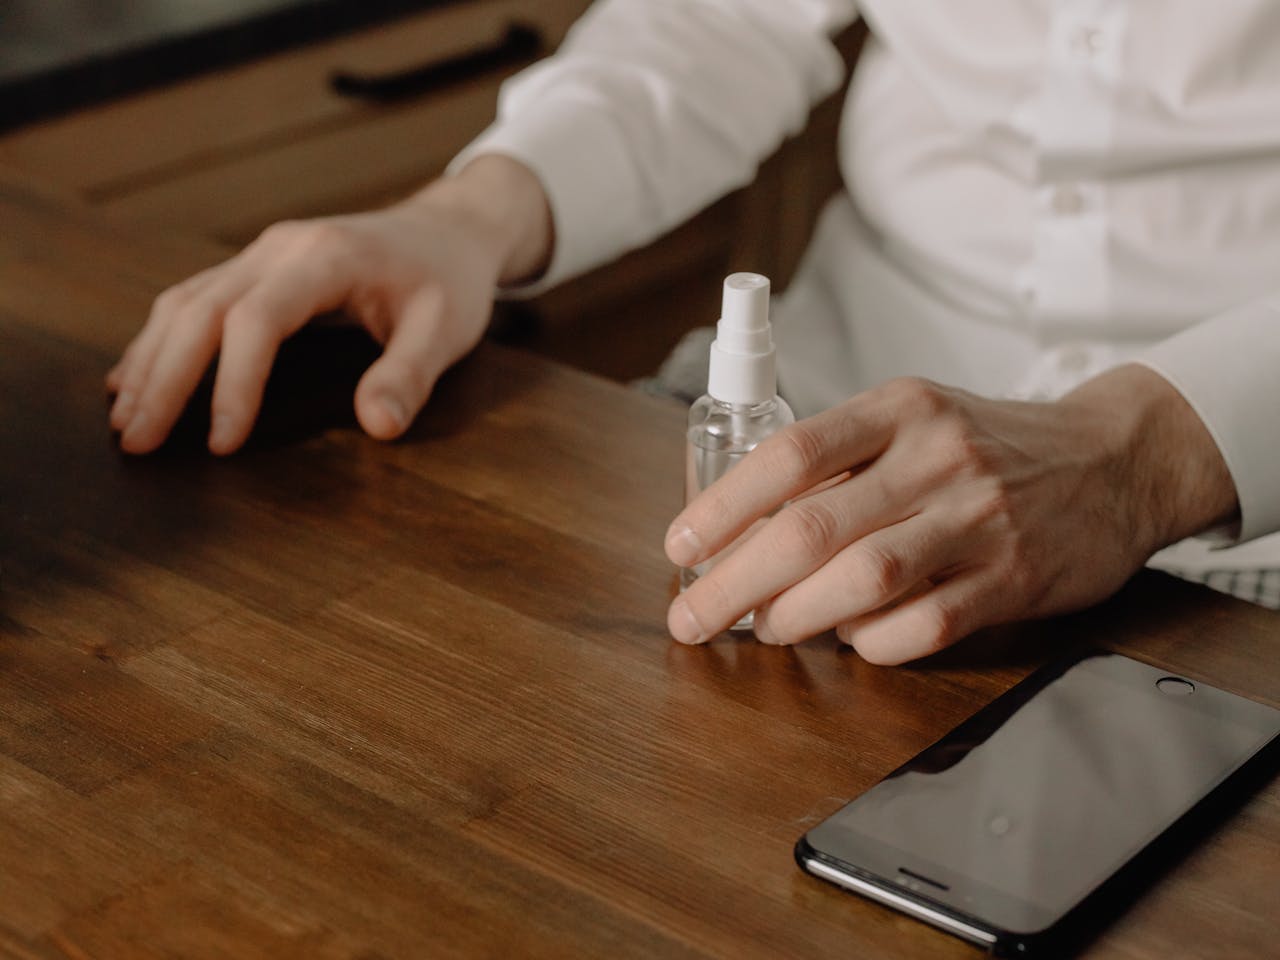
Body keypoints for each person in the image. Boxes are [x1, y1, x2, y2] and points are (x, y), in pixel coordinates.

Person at [105, 0, 1280, 663]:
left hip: (1243, 537)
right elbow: (717, 20)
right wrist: (466, 216)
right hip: (806, 431)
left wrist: (1145, 452)